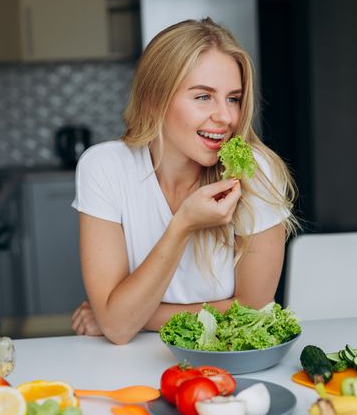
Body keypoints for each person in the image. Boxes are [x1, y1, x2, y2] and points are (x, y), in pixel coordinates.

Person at [71, 17, 298, 345]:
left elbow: (254, 311)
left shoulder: (254, 171)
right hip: (129, 366)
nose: (225, 117)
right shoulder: (104, 167)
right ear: (155, 99)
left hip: (226, 363)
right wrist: (182, 226)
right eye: (204, 97)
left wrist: (129, 315)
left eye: (232, 98)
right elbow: (119, 330)